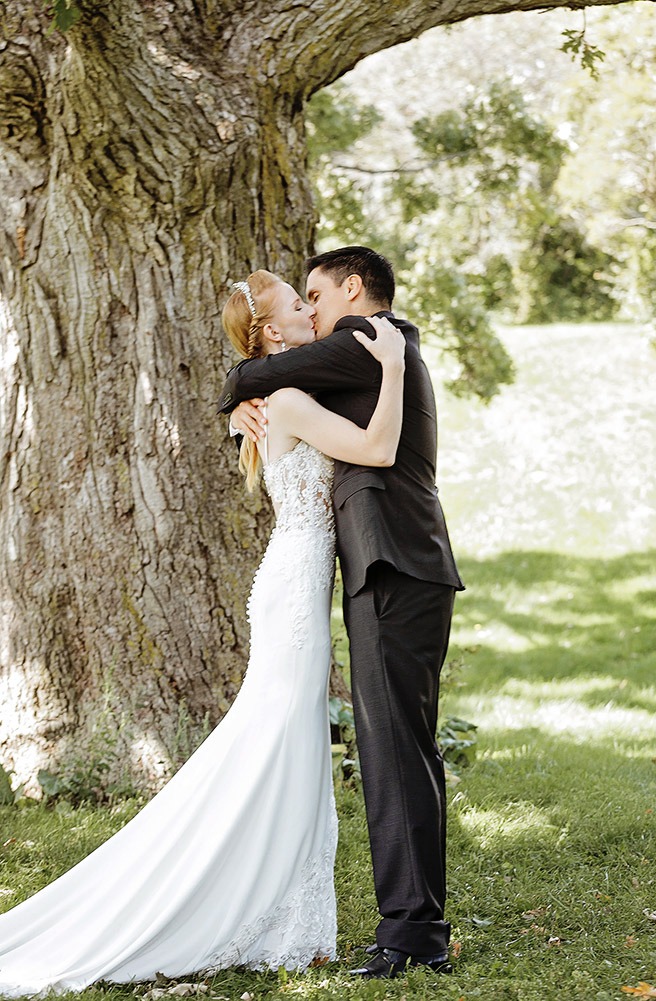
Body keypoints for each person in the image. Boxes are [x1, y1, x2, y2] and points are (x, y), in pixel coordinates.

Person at [0, 269, 405, 997]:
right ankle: (257, 907)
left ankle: (285, 913)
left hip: (293, 581)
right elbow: (376, 449)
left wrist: (238, 409)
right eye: (297, 306)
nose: (313, 310)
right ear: (273, 334)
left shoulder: (284, 395)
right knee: (279, 737)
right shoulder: (283, 396)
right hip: (292, 592)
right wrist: (396, 368)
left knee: (289, 737)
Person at [219, 246, 465, 979]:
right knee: (395, 747)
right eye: (300, 302)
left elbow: (252, 375)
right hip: (387, 564)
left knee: (393, 748)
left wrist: (238, 386)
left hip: (393, 565)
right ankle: (412, 923)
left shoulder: (366, 339)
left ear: (353, 289)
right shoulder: (370, 347)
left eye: (316, 294)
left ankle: (412, 931)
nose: (313, 309)